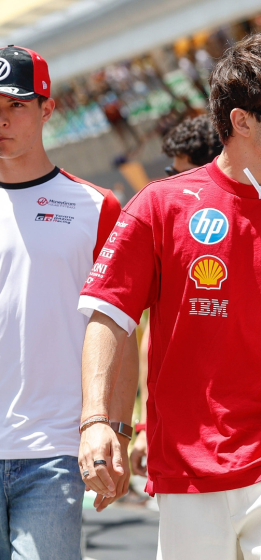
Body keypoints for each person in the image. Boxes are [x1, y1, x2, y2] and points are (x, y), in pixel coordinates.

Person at [77, 31, 261, 560]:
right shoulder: (160, 205)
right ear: (241, 121)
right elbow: (108, 316)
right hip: (188, 463)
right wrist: (99, 424)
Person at [0, 46, 138, 560]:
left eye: (15, 105)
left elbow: (119, 326)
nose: (2, 119)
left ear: (46, 108)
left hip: (55, 449)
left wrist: (116, 431)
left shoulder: (96, 207)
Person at [130, 114, 224, 478]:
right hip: (184, 434)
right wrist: (142, 427)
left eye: (179, 173)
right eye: (171, 171)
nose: (173, 183)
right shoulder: (167, 238)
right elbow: (149, 343)